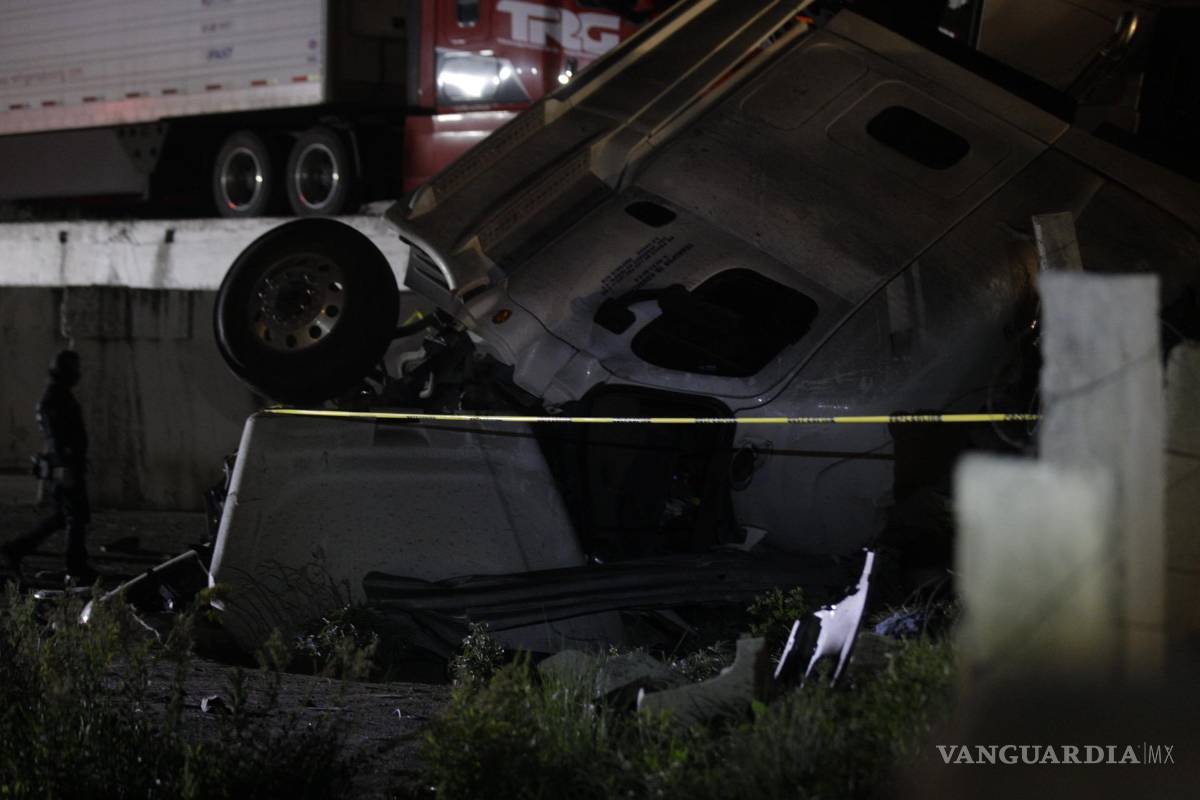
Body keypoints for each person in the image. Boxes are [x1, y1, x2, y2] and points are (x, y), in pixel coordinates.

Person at [2, 350, 96, 584]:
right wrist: (67, 464)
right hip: (65, 467)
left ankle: (16, 550)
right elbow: (57, 437)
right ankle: (75, 567)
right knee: (75, 517)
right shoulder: (55, 398)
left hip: (67, 465)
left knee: (64, 517)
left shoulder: (58, 395)